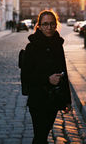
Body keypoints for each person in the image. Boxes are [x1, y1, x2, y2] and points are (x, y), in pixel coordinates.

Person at [23, 10, 71, 144]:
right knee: (40, 136)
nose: (49, 28)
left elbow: (64, 72)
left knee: (43, 135)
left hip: (53, 100)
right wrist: (47, 79)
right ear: (39, 26)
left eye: (52, 24)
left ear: (56, 25)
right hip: (38, 99)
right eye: (45, 24)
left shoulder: (58, 45)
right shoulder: (32, 47)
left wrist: (67, 99)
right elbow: (27, 76)